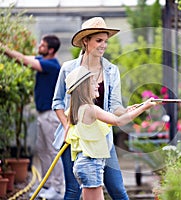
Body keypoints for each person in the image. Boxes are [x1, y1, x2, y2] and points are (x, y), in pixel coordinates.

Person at [52, 17, 132, 199]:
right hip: (74, 139)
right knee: (73, 191)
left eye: (105, 41)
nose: (104, 45)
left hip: (101, 138)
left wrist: (128, 111)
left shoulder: (111, 70)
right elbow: (57, 102)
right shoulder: (68, 68)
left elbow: (115, 106)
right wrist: (66, 127)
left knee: (118, 189)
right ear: (85, 41)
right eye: (99, 40)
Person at [64, 66, 156, 200]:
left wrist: (127, 110)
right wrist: (144, 107)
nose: (97, 85)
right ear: (83, 88)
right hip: (91, 165)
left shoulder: (77, 109)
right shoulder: (90, 109)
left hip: (85, 164)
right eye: (93, 83)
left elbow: (107, 119)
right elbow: (118, 121)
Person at [0, 35, 64, 199]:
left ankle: (57, 188)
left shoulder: (51, 65)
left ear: (50, 50)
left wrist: (3, 48)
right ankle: (47, 185)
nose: (39, 46)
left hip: (51, 115)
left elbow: (25, 60)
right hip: (43, 114)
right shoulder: (43, 60)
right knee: (42, 151)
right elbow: (23, 58)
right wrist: (7, 52)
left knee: (52, 151)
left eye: (42, 45)